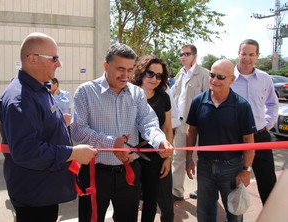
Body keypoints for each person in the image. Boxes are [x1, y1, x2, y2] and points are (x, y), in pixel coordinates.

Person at [0, 32, 97, 222]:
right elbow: (26, 151)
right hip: (34, 194)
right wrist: (72, 153)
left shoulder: (38, 88)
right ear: (33, 59)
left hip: (44, 190)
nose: (58, 63)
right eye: (54, 58)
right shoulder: (20, 99)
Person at [70, 43, 173, 222]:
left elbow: (148, 122)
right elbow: (78, 131)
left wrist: (159, 141)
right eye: (120, 69)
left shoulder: (137, 94)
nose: (125, 75)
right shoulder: (86, 92)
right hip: (95, 173)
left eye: (130, 70)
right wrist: (111, 143)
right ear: (105, 66)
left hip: (129, 174)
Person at [185, 59, 256, 221]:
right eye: (212, 75)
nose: (215, 80)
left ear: (232, 79)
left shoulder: (242, 106)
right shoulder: (198, 101)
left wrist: (246, 170)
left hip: (232, 168)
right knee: (204, 213)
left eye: (221, 77)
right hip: (205, 167)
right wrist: (189, 159)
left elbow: (249, 140)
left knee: (234, 213)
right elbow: (191, 131)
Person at [231, 39, 279, 205]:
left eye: (252, 54)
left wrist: (267, 124)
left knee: (268, 184)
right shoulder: (228, 78)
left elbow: (273, 104)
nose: (247, 58)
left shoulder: (265, 78)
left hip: (260, 137)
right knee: (232, 183)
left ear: (258, 56)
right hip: (235, 139)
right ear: (238, 53)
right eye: (244, 53)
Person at [131, 55, 174, 222]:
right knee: (129, 202)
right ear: (141, 72)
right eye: (150, 73)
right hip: (130, 158)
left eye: (159, 76)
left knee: (151, 202)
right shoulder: (128, 93)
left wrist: (167, 159)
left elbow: (168, 129)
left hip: (156, 157)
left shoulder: (164, 97)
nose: (154, 78)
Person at [170, 44, 209, 200]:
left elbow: (208, 101)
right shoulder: (179, 75)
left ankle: (203, 190)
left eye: (186, 54)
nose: (183, 56)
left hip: (197, 126)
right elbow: (174, 98)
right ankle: (176, 191)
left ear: (195, 56)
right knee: (177, 157)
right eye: (181, 54)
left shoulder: (205, 74)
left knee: (199, 159)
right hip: (180, 124)